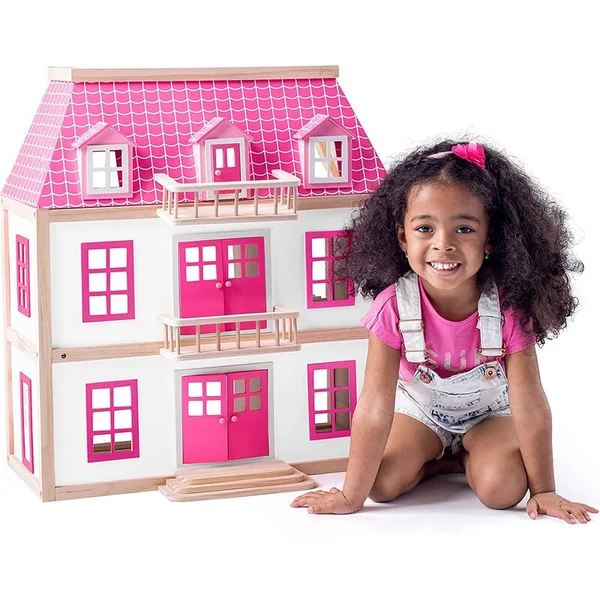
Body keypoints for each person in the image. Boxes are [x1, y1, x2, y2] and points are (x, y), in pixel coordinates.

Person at [292, 140, 598, 523]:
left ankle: (469, 455)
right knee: (380, 485)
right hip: (421, 412)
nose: (443, 244)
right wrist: (351, 495)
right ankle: (441, 460)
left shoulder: (508, 309)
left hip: (490, 415)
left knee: (502, 490)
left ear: (490, 240)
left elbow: (530, 403)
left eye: (464, 229)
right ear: (402, 238)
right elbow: (374, 405)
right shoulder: (392, 308)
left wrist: (544, 490)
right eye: (425, 228)